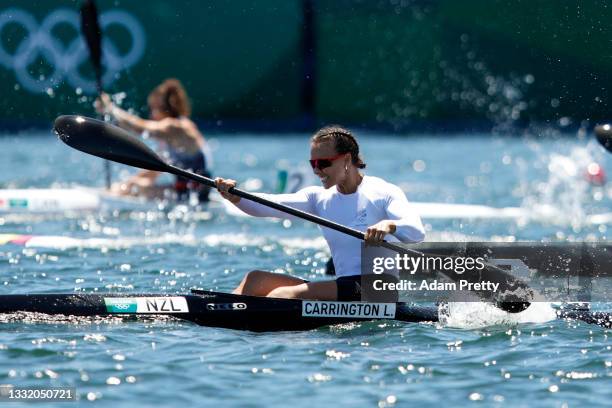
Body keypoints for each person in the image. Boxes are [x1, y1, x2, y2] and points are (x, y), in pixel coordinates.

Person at [216, 125, 425, 301]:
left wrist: (389, 225)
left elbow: (416, 232)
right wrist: (235, 196)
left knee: (283, 294)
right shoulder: (318, 198)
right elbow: (267, 205)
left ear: (346, 160)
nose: (316, 170)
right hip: (345, 285)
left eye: (323, 163)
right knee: (255, 280)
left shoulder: (383, 192)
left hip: (377, 289)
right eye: (313, 163)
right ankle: (219, 313)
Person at [96, 78, 212, 202]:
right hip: (189, 191)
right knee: (134, 184)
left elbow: (141, 128)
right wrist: (126, 185)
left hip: (194, 194)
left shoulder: (176, 127)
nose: (151, 115)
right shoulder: (172, 137)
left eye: (153, 109)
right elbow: (153, 171)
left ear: (165, 108)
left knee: (137, 187)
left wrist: (110, 109)